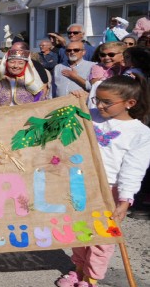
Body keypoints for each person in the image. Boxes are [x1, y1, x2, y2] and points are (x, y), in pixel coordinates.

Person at [57, 76, 150, 287]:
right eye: (97, 100)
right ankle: (78, 270)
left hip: (111, 189)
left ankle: (91, 278)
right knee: (80, 231)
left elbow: (133, 169)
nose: (99, 105)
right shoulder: (90, 115)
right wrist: (75, 102)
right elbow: (66, 121)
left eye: (106, 102)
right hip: (81, 183)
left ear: (130, 103)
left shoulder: (140, 133)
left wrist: (125, 199)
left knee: (102, 238)